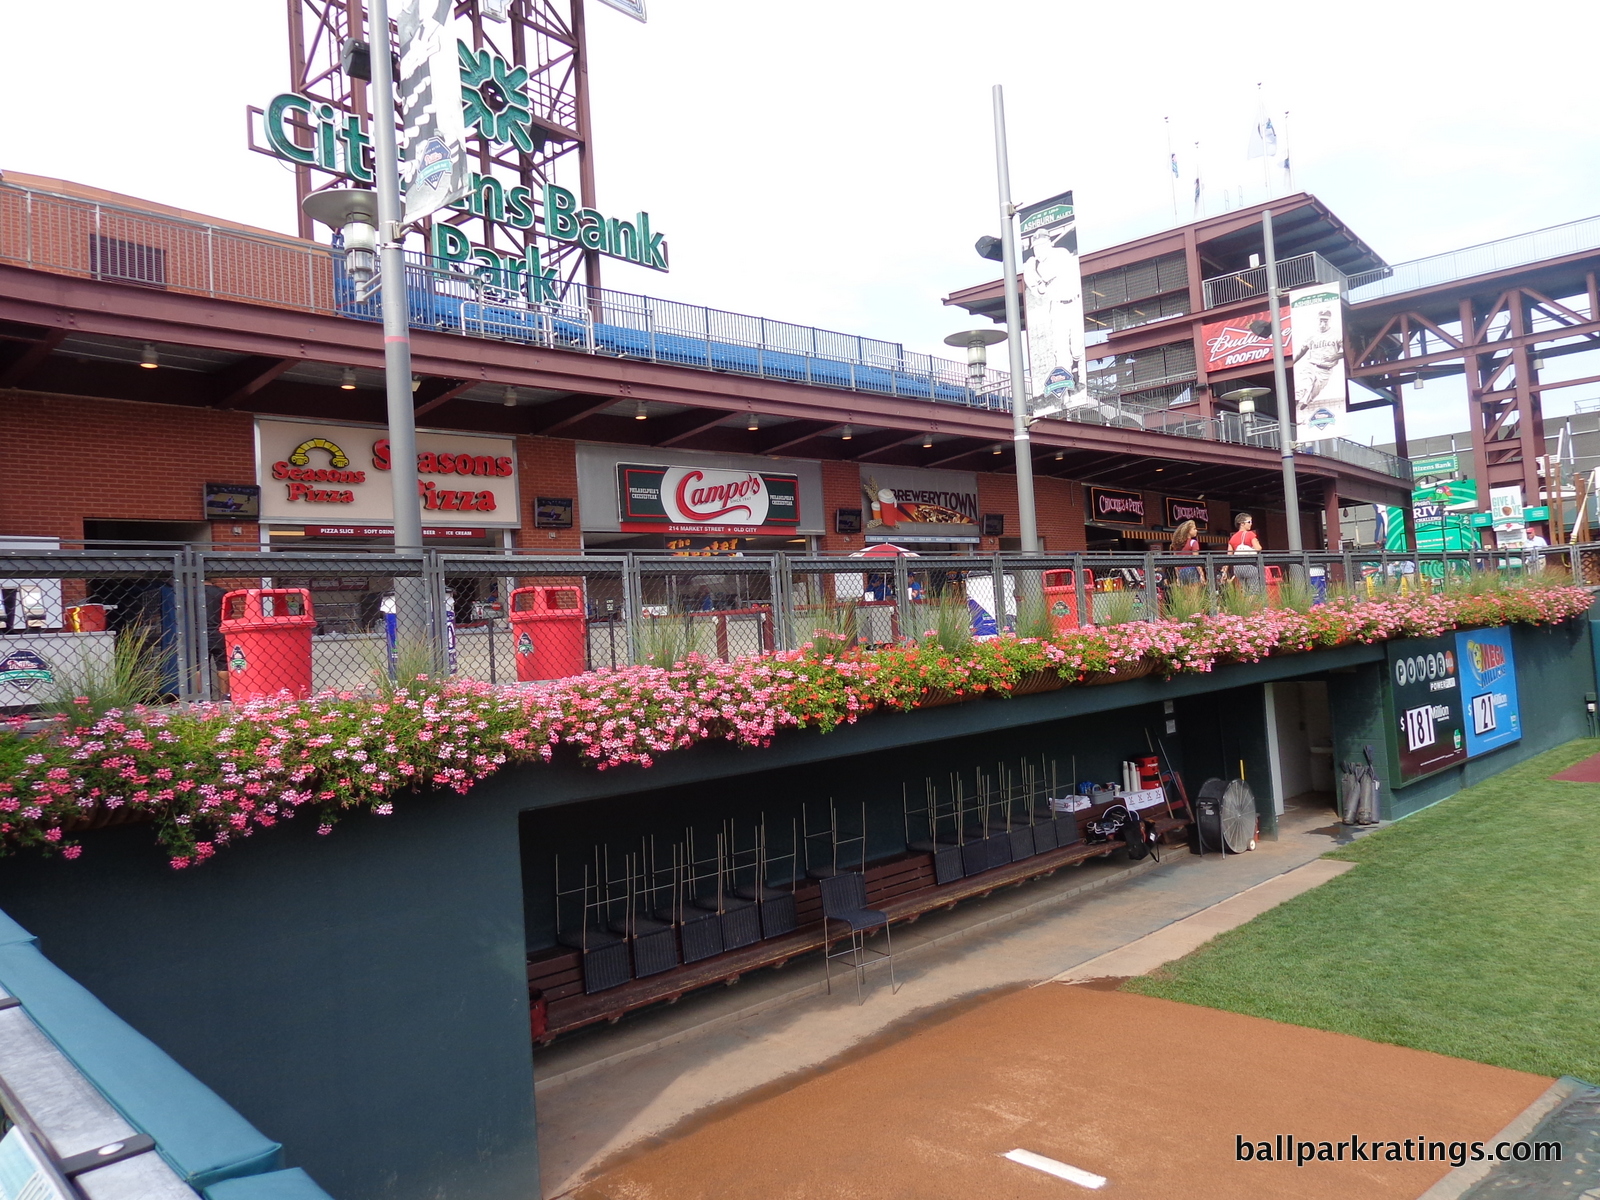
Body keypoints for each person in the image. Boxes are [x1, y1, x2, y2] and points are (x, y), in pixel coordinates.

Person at [1228, 512, 1262, 589]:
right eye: (1249, 522)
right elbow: (1258, 548)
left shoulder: (1232, 537)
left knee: (1244, 590)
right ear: (1242, 524)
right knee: (1254, 591)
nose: (1251, 524)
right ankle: (1251, 602)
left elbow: (1229, 554)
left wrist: (1225, 570)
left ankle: (1246, 601)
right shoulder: (1250, 534)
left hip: (1238, 568)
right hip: (1250, 565)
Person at [1170, 520, 1202, 584]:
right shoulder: (1193, 542)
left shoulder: (1177, 545)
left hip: (1181, 571)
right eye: (1194, 529)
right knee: (1194, 593)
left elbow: (1175, 563)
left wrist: (1178, 576)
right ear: (1189, 531)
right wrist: (1201, 574)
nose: (1196, 530)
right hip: (1192, 569)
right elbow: (1196, 560)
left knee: (1185, 593)